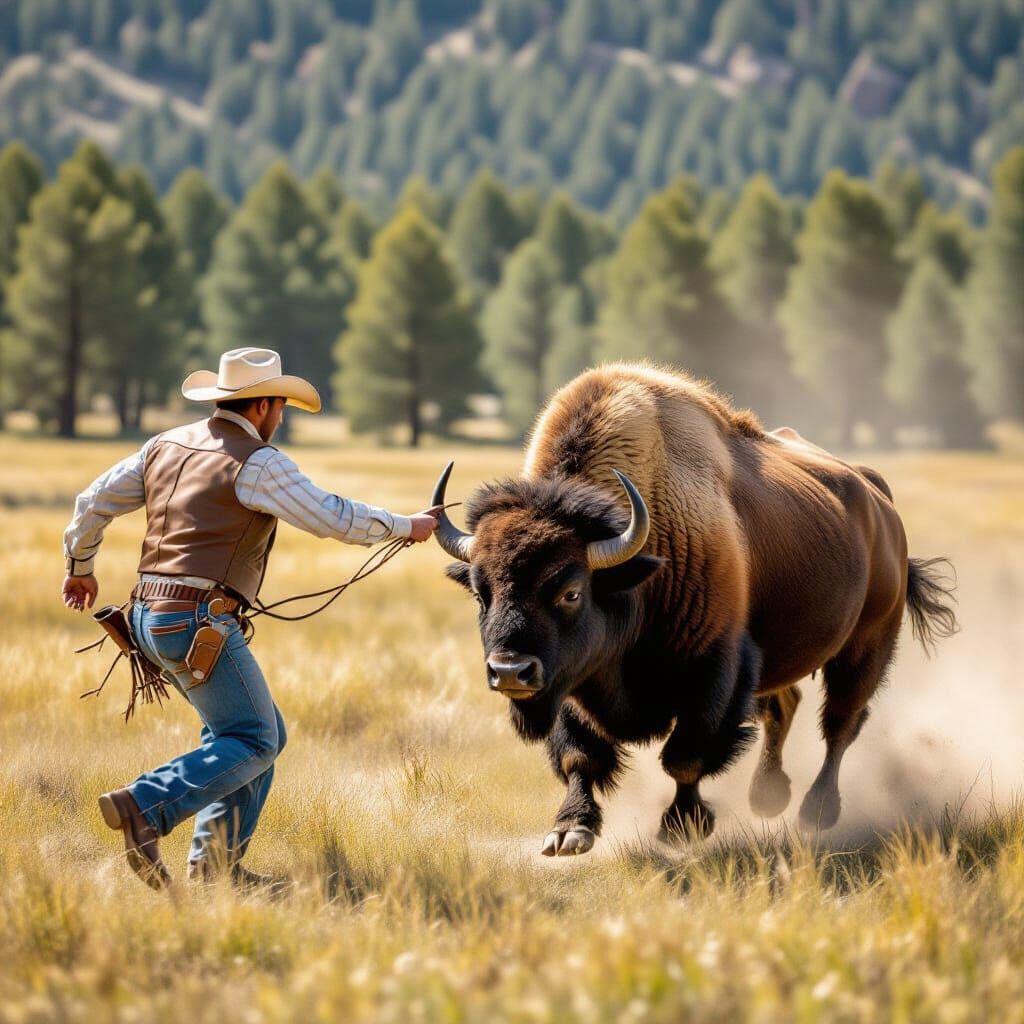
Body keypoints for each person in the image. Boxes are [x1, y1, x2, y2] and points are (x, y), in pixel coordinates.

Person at [61, 347, 440, 891]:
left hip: (147, 619)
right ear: (262, 405)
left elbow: (91, 501)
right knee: (257, 739)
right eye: (280, 405)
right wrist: (406, 525)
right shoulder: (257, 462)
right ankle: (146, 806)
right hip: (197, 623)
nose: (281, 416)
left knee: (249, 734)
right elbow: (330, 516)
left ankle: (215, 869)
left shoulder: (162, 446)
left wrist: (80, 567)